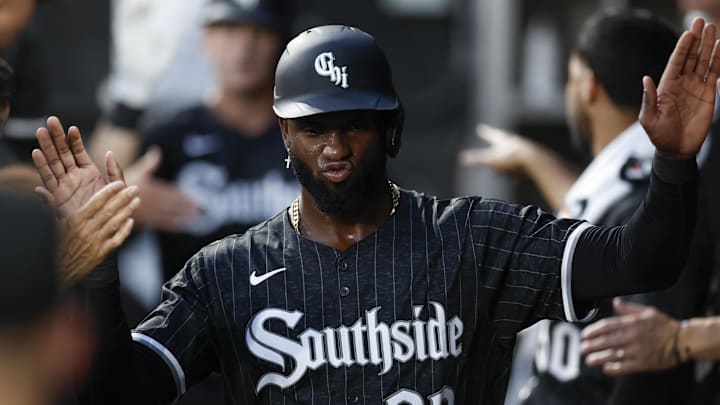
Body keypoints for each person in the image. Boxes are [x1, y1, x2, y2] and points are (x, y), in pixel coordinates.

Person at [35, 20, 718, 404]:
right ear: (283, 133)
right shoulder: (227, 272)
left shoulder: (475, 238)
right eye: (313, 126)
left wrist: (674, 163)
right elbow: (121, 393)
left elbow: (643, 257)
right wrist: (95, 274)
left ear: (390, 127)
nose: (334, 145)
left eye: (354, 123)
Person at [461, 10, 708, 404]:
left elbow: (645, 370)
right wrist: (533, 159)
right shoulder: (629, 177)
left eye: (571, 78)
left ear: (588, 84)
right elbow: (597, 219)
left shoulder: (658, 199)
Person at [126, 0, 299, 280]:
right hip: (193, 318)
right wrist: (121, 207)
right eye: (229, 29)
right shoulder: (168, 137)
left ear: (283, 41)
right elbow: (94, 251)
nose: (244, 47)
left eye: (259, 31)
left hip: (299, 317)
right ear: (205, 38)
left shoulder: (315, 136)